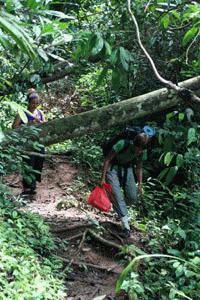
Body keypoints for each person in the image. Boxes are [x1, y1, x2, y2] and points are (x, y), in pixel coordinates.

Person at [100, 126, 155, 238]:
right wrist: (103, 178)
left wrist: (140, 185)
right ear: (134, 144)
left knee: (132, 197)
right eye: (138, 148)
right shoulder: (122, 144)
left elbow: (139, 168)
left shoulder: (141, 151)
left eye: (141, 149)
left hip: (127, 169)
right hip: (113, 169)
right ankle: (126, 227)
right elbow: (107, 160)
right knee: (118, 197)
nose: (139, 151)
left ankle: (118, 206)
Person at [12, 90, 46, 195]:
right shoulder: (22, 113)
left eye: (37, 103)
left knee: (38, 163)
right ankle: (27, 188)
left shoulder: (40, 113)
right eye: (32, 103)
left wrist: (41, 123)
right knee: (28, 163)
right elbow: (14, 127)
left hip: (39, 142)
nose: (34, 105)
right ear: (28, 102)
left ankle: (33, 186)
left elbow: (46, 125)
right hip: (27, 143)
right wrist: (29, 124)